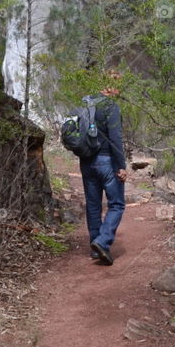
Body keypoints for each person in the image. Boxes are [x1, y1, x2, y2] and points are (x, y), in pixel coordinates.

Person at [79, 76, 127, 265]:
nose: (120, 92)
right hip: (106, 161)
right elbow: (115, 138)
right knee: (116, 204)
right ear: (111, 87)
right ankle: (102, 241)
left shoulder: (85, 103)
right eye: (119, 87)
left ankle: (96, 248)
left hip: (86, 162)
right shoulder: (111, 107)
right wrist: (122, 165)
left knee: (93, 205)